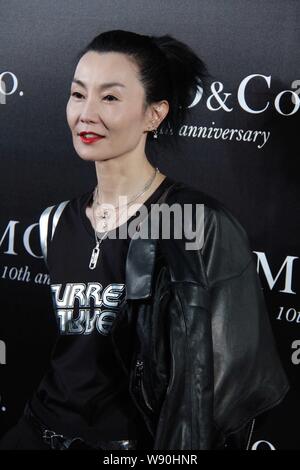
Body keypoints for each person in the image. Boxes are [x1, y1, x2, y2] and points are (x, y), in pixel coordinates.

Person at [0, 29, 289, 451]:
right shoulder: (55, 221)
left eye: (111, 98)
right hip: (37, 431)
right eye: (78, 94)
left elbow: (227, 386)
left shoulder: (190, 221)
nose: (87, 114)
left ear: (154, 115)